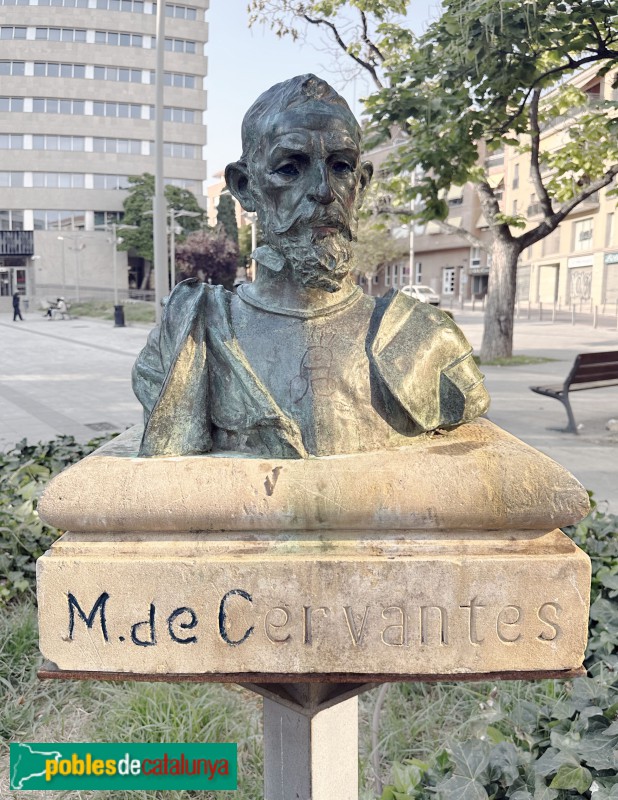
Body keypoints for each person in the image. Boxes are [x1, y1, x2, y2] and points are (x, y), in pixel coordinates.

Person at [133, 75, 489, 458]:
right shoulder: (190, 333)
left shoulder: (427, 338)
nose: (323, 190)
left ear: (361, 184)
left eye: (340, 167)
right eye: (290, 168)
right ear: (245, 187)